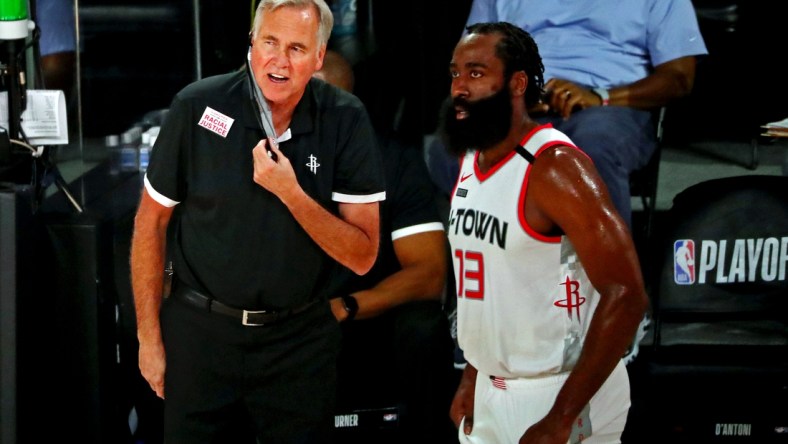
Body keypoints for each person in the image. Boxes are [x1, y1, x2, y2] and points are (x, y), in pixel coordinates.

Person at [129, 0, 385, 442]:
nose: (279, 61)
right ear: (251, 42)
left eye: (297, 48)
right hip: (201, 336)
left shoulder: (345, 118)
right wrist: (148, 337)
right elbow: (150, 224)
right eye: (269, 42)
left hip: (298, 343)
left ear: (319, 57)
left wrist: (290, 191)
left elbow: (363, 256)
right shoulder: (197, 106)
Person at [442, 22, 649, 443]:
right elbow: (489, 288)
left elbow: (627, 294)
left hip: (560, 389)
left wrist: (561, 417)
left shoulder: (554, 168)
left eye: (476, 73)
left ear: (517, 83)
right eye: (455, 73)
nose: (459, 87)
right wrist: (475, 373)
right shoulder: (471, 161)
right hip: (494, 386)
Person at [315, 50, 458, 442]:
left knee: (423, 327)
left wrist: (346, 307)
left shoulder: (391, 158)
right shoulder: (257, 157)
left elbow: (429, 275)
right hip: (284, 326)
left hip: (365, 319)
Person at [464, 0, 707, 228]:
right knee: (455, 149)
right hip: (517, 103)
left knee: (592, 147)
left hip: (610, 106)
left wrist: (600, 97)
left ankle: (607, 270)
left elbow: (679, 77)